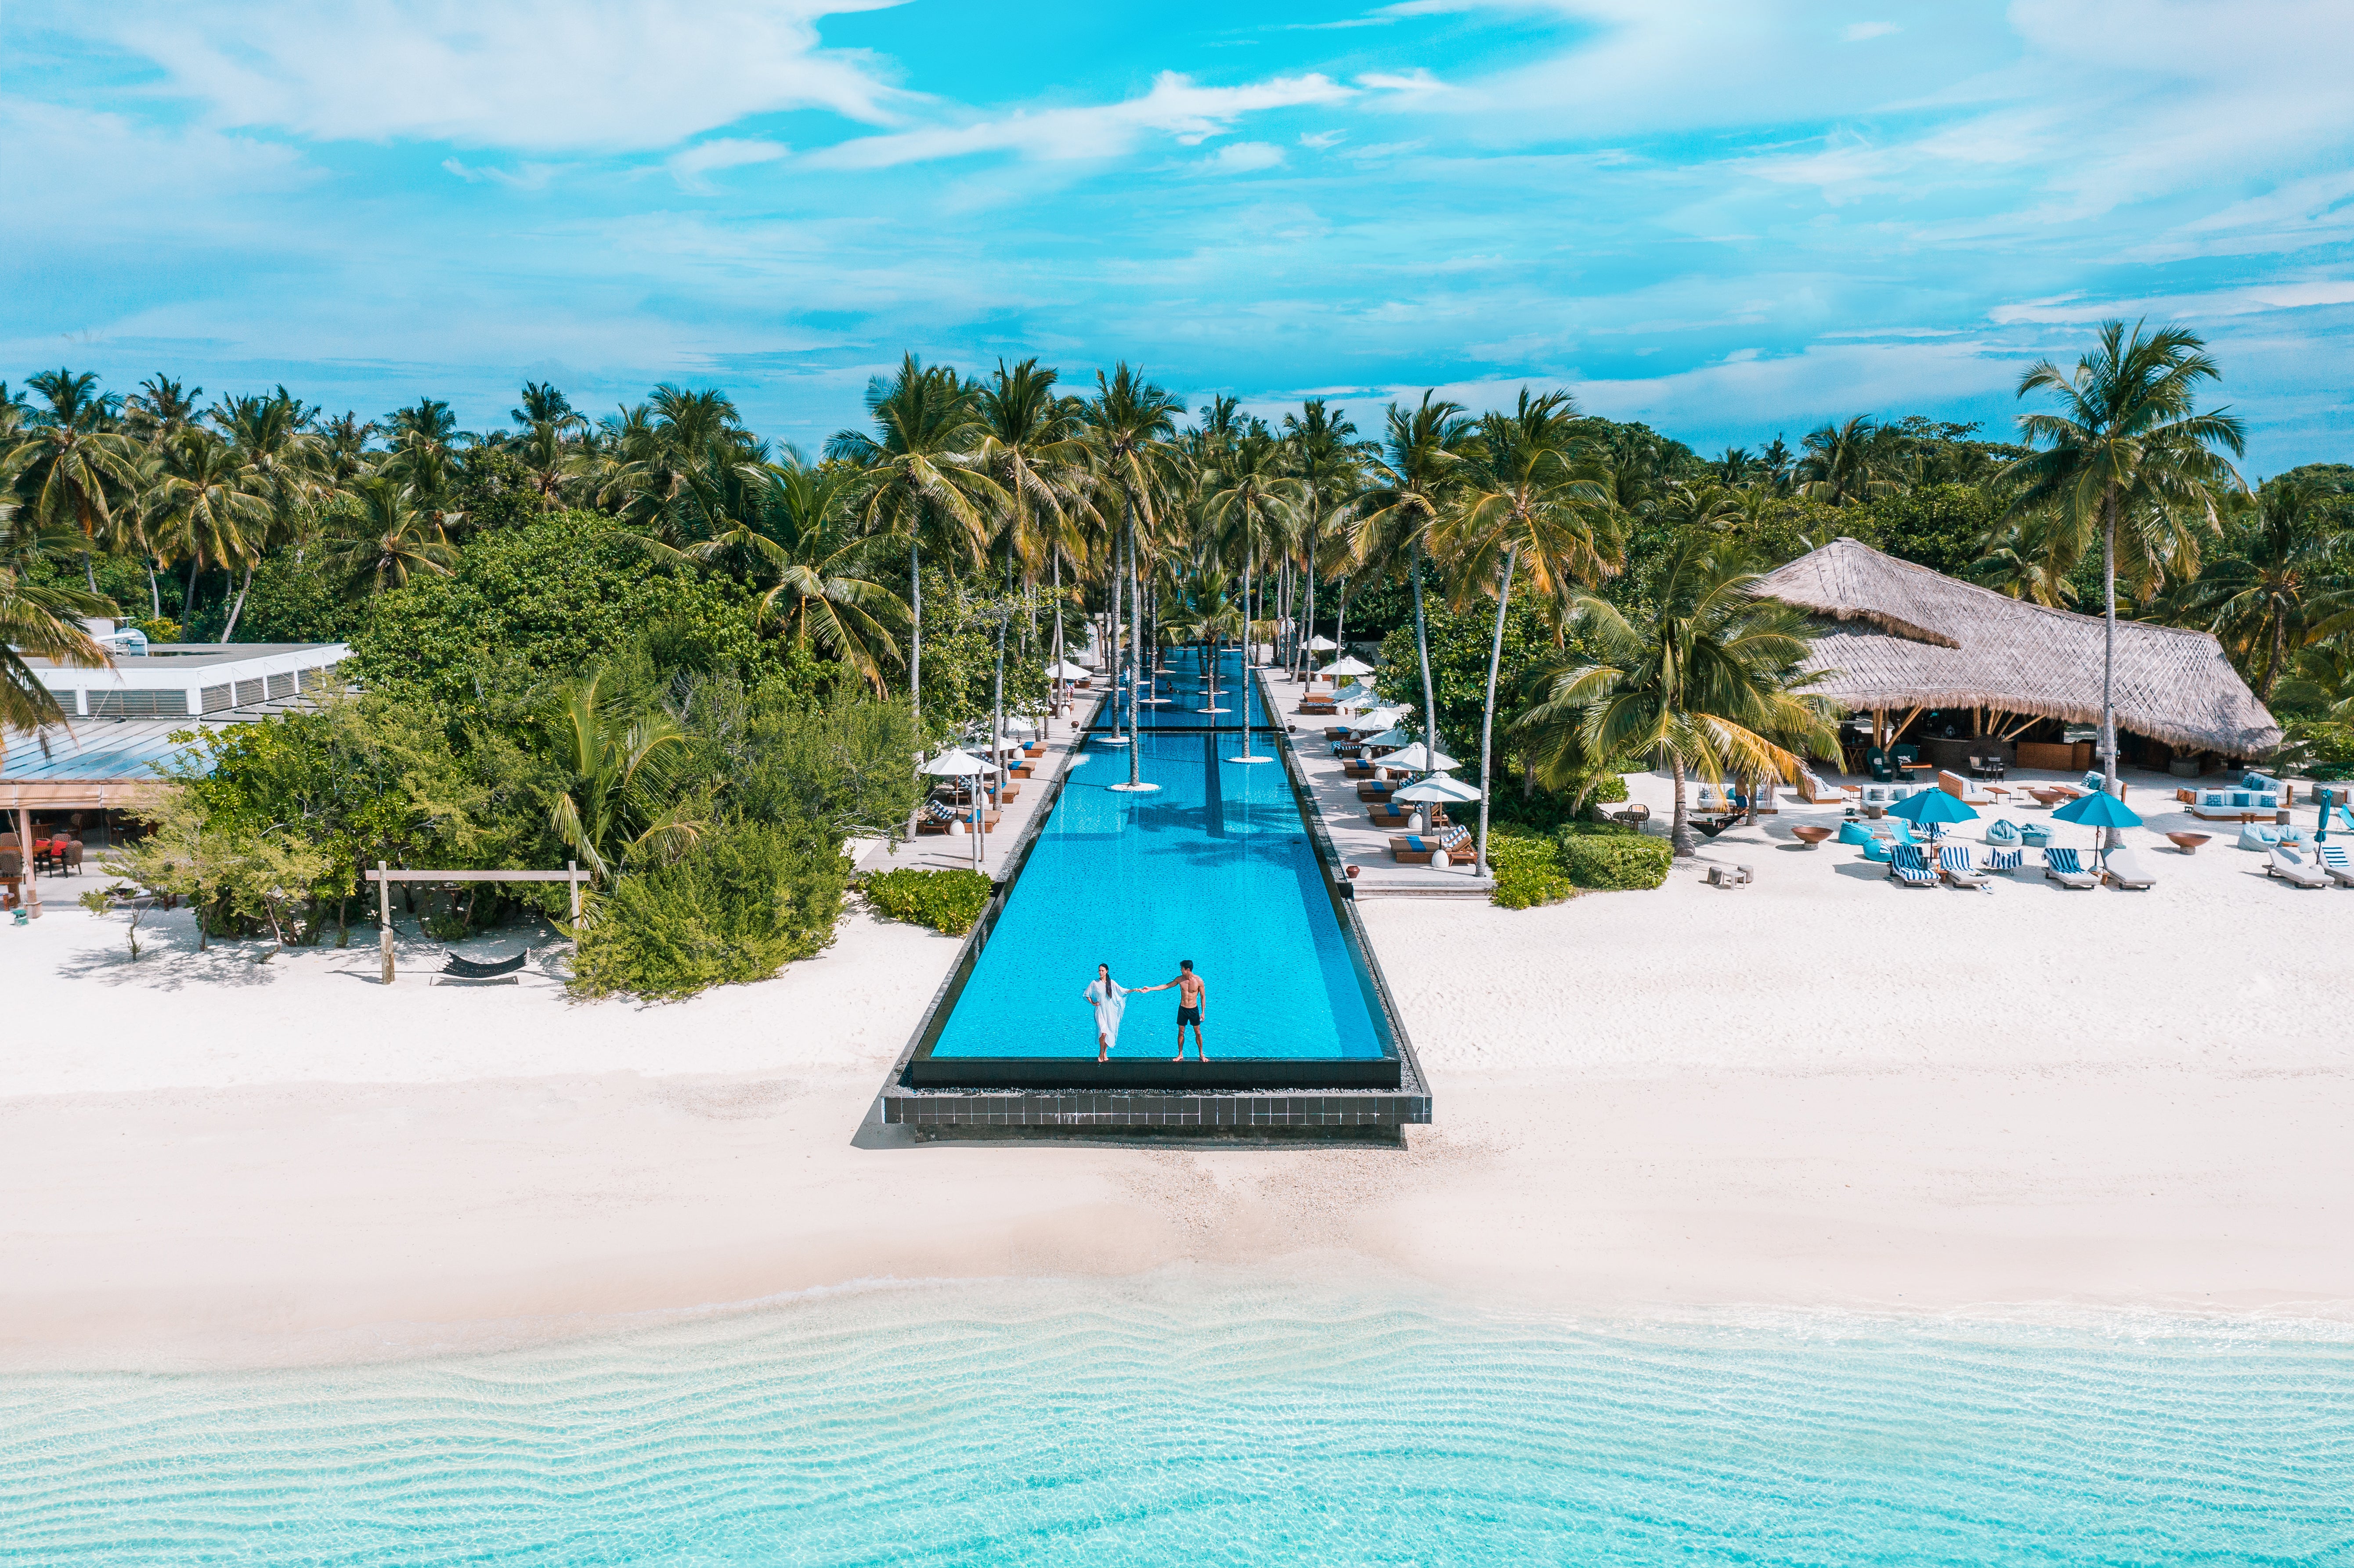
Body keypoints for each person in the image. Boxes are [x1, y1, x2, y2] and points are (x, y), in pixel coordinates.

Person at [1148, 959, 1207, 1061]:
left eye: (1182, 969)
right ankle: (1180, 1054)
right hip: (1183, 1009)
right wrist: (1150, 989)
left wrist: (1203, 1012)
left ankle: (1201, 1054)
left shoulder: (1199, 981)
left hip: (1194, 1010)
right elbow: (1166, 986)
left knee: (1198, 1033)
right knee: (1181, 1032)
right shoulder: (1180, 980)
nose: (1181, 971)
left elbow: (1203, 997)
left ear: (1188, 970)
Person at [1083, 963, 1130, 1063]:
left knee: (1108, 1033)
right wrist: (1093, 1003)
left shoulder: (1111, 983)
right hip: (1100, 1011)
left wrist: (1134, 990)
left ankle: (1105, 1053)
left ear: (1107, 971)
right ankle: (1101, 1052)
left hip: (1110, 1011)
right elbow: (1087, 994)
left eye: (1102, 971)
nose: (1100, 972)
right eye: (1099, 971)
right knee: (1103, 1033)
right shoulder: (1094, 983)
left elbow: (1122, 991)